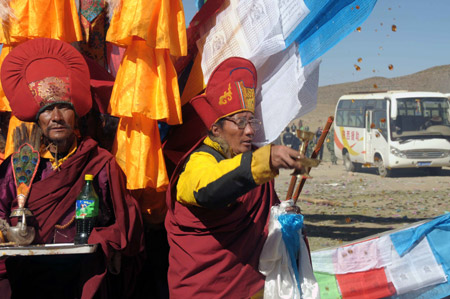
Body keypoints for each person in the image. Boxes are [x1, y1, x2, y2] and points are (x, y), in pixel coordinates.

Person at [0, 38, 144, 298]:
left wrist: (102, 238)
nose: (56, 117)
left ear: (75, 114)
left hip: (82, 274)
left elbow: (123, 225)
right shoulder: (18, 166)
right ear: (37, 119)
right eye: (47, 110)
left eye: (63, 108)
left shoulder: (99, 162)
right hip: (28, 276)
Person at [165, 57, 305, 298]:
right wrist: (265, 160)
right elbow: (208, 190)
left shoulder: (247, 159)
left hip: (255, 290)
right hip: (206, 292)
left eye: (251, 121)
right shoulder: (198, 162)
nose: (250, 130)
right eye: (240, 122)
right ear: (216, 129)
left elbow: (264, 213)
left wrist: (283, 216)